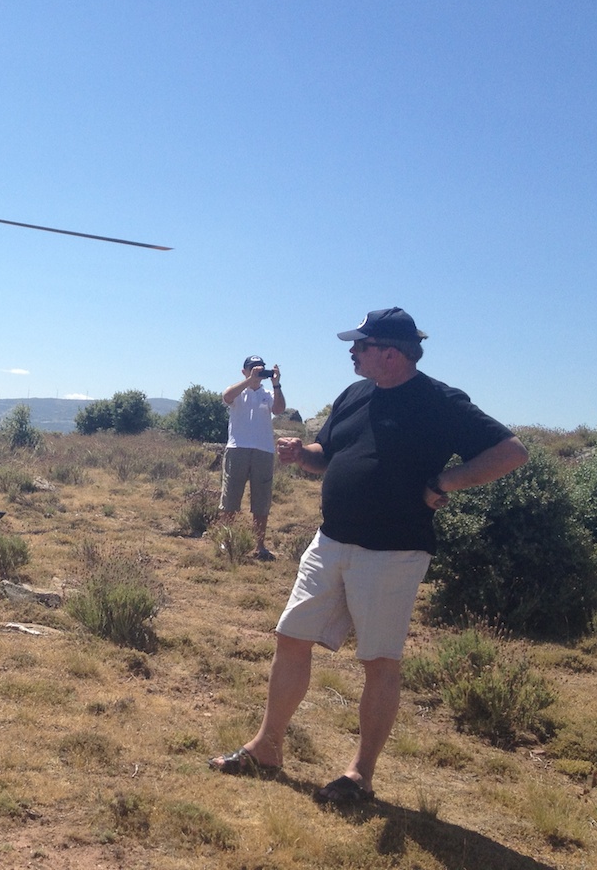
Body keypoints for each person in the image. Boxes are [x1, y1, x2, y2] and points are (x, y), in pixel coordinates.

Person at [208, 307, 528, 804]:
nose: (352, 352)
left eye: (361, 345)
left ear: (391, 354)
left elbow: (511, 452)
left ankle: (360, 774)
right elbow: (327, 455)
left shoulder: (440, 401)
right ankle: (267, 747)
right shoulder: (355, 395)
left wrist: (445, 482)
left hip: (393, 552)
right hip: (331, 540)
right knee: (291, 637)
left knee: (379, 661)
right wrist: (302, 455)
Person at [220, 355, 286, 560]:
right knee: (230, 496)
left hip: (263, 450)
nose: (257, 371)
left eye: (260, 368)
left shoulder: (268, 394)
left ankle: (259, 545)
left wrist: (276, 384)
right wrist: (250, 381)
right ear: (244, 371)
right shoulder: (238, 391)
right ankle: (227, 541)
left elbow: (279, 409)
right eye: (253, 368)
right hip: (237, 448)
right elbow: (226, 396)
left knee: (261, 500)